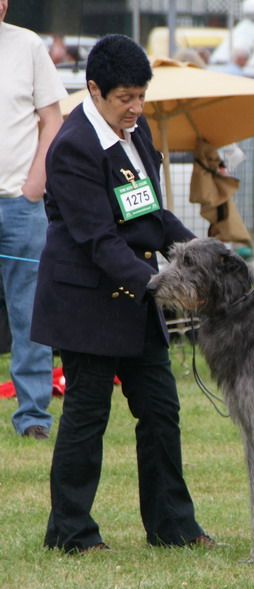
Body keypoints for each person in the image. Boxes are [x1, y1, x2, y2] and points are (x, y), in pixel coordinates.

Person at [30, 34, 212, 553]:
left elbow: (149, 214)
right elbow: (100, 241)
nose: (135, 107)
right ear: (93, 90)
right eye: (124, 98)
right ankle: (71, 533)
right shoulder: (72, 148)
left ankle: (173, 527)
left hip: (137, 300)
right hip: (86, 301)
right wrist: (164, 286)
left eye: (141, 95)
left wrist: (198, 249)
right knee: (87, 418)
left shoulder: (138, 131)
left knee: (160, 411)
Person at [0, 0, 66, 439]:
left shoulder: (28, 46)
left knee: (29, 314)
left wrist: (33, 187)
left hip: (20, 205)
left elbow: (52, 120)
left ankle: (33, 418)